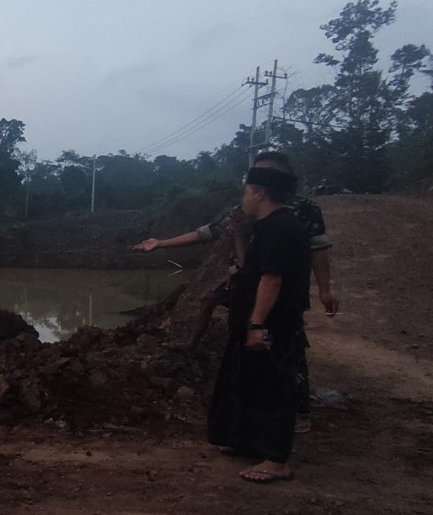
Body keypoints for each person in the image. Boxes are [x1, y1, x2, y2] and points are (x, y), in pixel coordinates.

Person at [133, 152, 338, 433]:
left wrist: (325, 290)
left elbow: (317, 251)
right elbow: (206, 233)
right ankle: (241, 407)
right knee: (222, 316)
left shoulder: (301, 211)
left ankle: (296, 410)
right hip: (243, 283)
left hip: (276, 291)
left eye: (259, 177)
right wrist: (161, 243)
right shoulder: (244, 209)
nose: (251, 186)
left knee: (286, 347)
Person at [208, 165, 311, 482]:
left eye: (246, 192)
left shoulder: (279, 228)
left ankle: (276, 460)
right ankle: (249, 442)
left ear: (260, 193)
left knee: (273, 388)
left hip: (272, 324)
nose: (244, 199)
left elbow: (272, 280)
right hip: (257, 320)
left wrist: (256, 325)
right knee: (251, 383)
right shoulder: (268, 225)